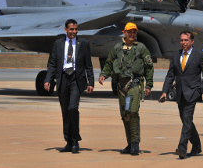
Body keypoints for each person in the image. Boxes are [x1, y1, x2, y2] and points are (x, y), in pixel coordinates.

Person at [99, 22, 154, 155]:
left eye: (134, 32)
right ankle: (129, 144)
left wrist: (149, 85)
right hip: (121, 87)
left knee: (133, 112)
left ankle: (135, 143)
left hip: (134, 85)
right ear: (124, 32)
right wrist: (103, 74)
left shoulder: (141, 48)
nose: (132, 34)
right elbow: (109, 62)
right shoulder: (117, 48)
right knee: (125, 115)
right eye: (129, 32)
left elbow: (149, 67)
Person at [44, 19, 94, 153]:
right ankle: (69, 141)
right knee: (65, 112)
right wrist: (48, 80)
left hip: (76, 80)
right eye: (71, 29)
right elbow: (52, 63)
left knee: (73, 108)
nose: (74, 32)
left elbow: (88, 64)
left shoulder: (83, 43)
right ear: (65, 30)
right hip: (62, 79)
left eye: (76, 29)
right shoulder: (58, 43)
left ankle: (75, 140)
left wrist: (91, 82)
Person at [159, 31, 203, 159]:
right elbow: (171, 75)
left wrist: (199, 90)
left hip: (193, 93)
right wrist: (165, 91)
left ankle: (182, 148)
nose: (183, 43)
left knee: (187, 120)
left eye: (186, 40)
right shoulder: (176, 55)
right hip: (180, 93)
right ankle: (197, 145)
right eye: (181, 40)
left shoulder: (200, 55)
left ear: (192, 41)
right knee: (186, 120)